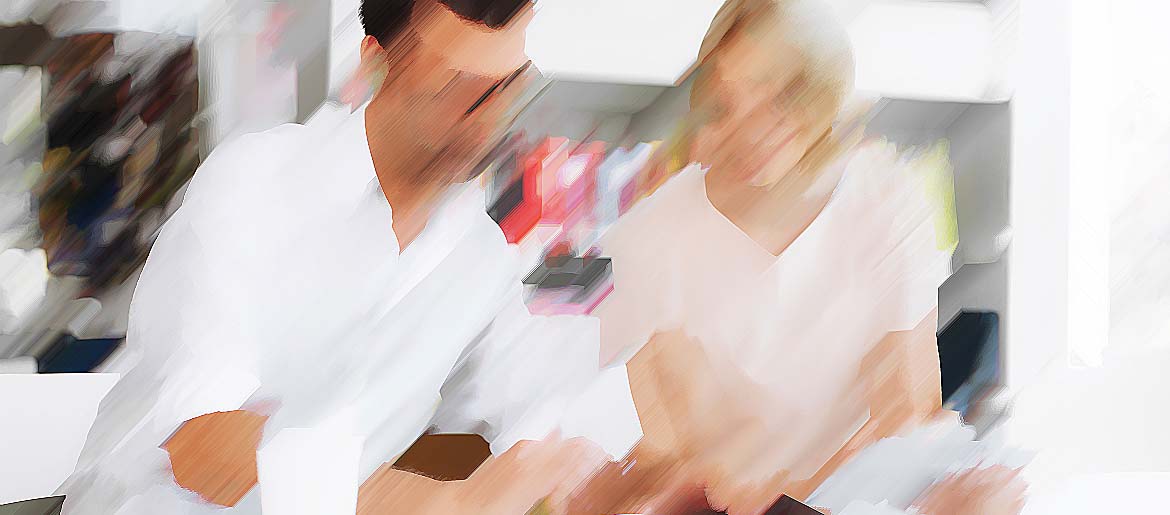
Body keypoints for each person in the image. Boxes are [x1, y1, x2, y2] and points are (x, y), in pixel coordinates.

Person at [57, 1, 641, 513]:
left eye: (504, 87)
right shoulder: (254, 185)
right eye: (453, 87)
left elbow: (536, 404)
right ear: (376, 62)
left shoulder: (479, 254)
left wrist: (586, 458)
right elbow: (203, 449)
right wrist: (440, 503)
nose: (485, 118)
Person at [579, 0, 1022, 513]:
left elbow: (907, 407)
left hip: (855, 497)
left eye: (780, 99)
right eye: (730, 102)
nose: (751, 129)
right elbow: (669, 450)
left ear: (823, 93)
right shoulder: (652, 236)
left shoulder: (886, 199)